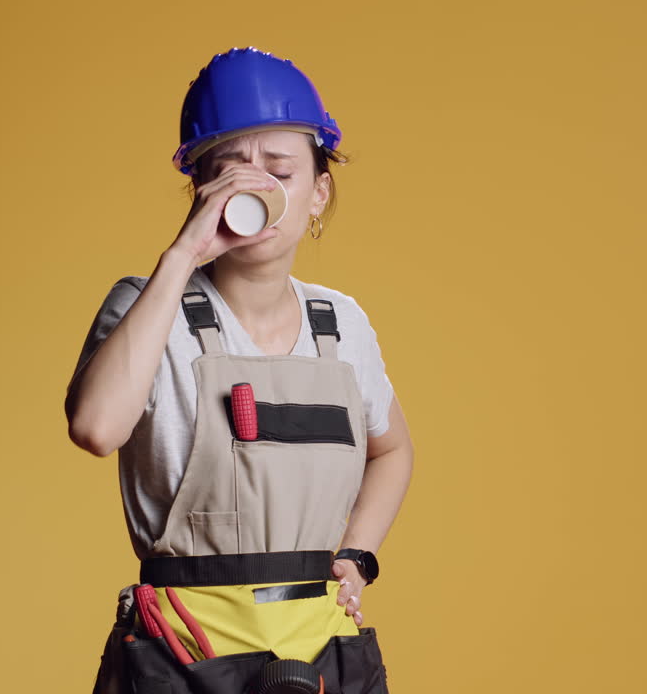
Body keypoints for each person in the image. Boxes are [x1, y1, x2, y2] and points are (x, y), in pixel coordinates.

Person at [65, 47, 412, 694]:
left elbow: (392, 449)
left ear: (318, 191)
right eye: (229, 170)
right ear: (200, 188)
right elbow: (95, 428)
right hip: (183, 653)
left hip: (322, 649)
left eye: (279, 169)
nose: (254, 186)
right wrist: (183, 254)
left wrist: (357, 556)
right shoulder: (147, 305)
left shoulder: (341, 322)